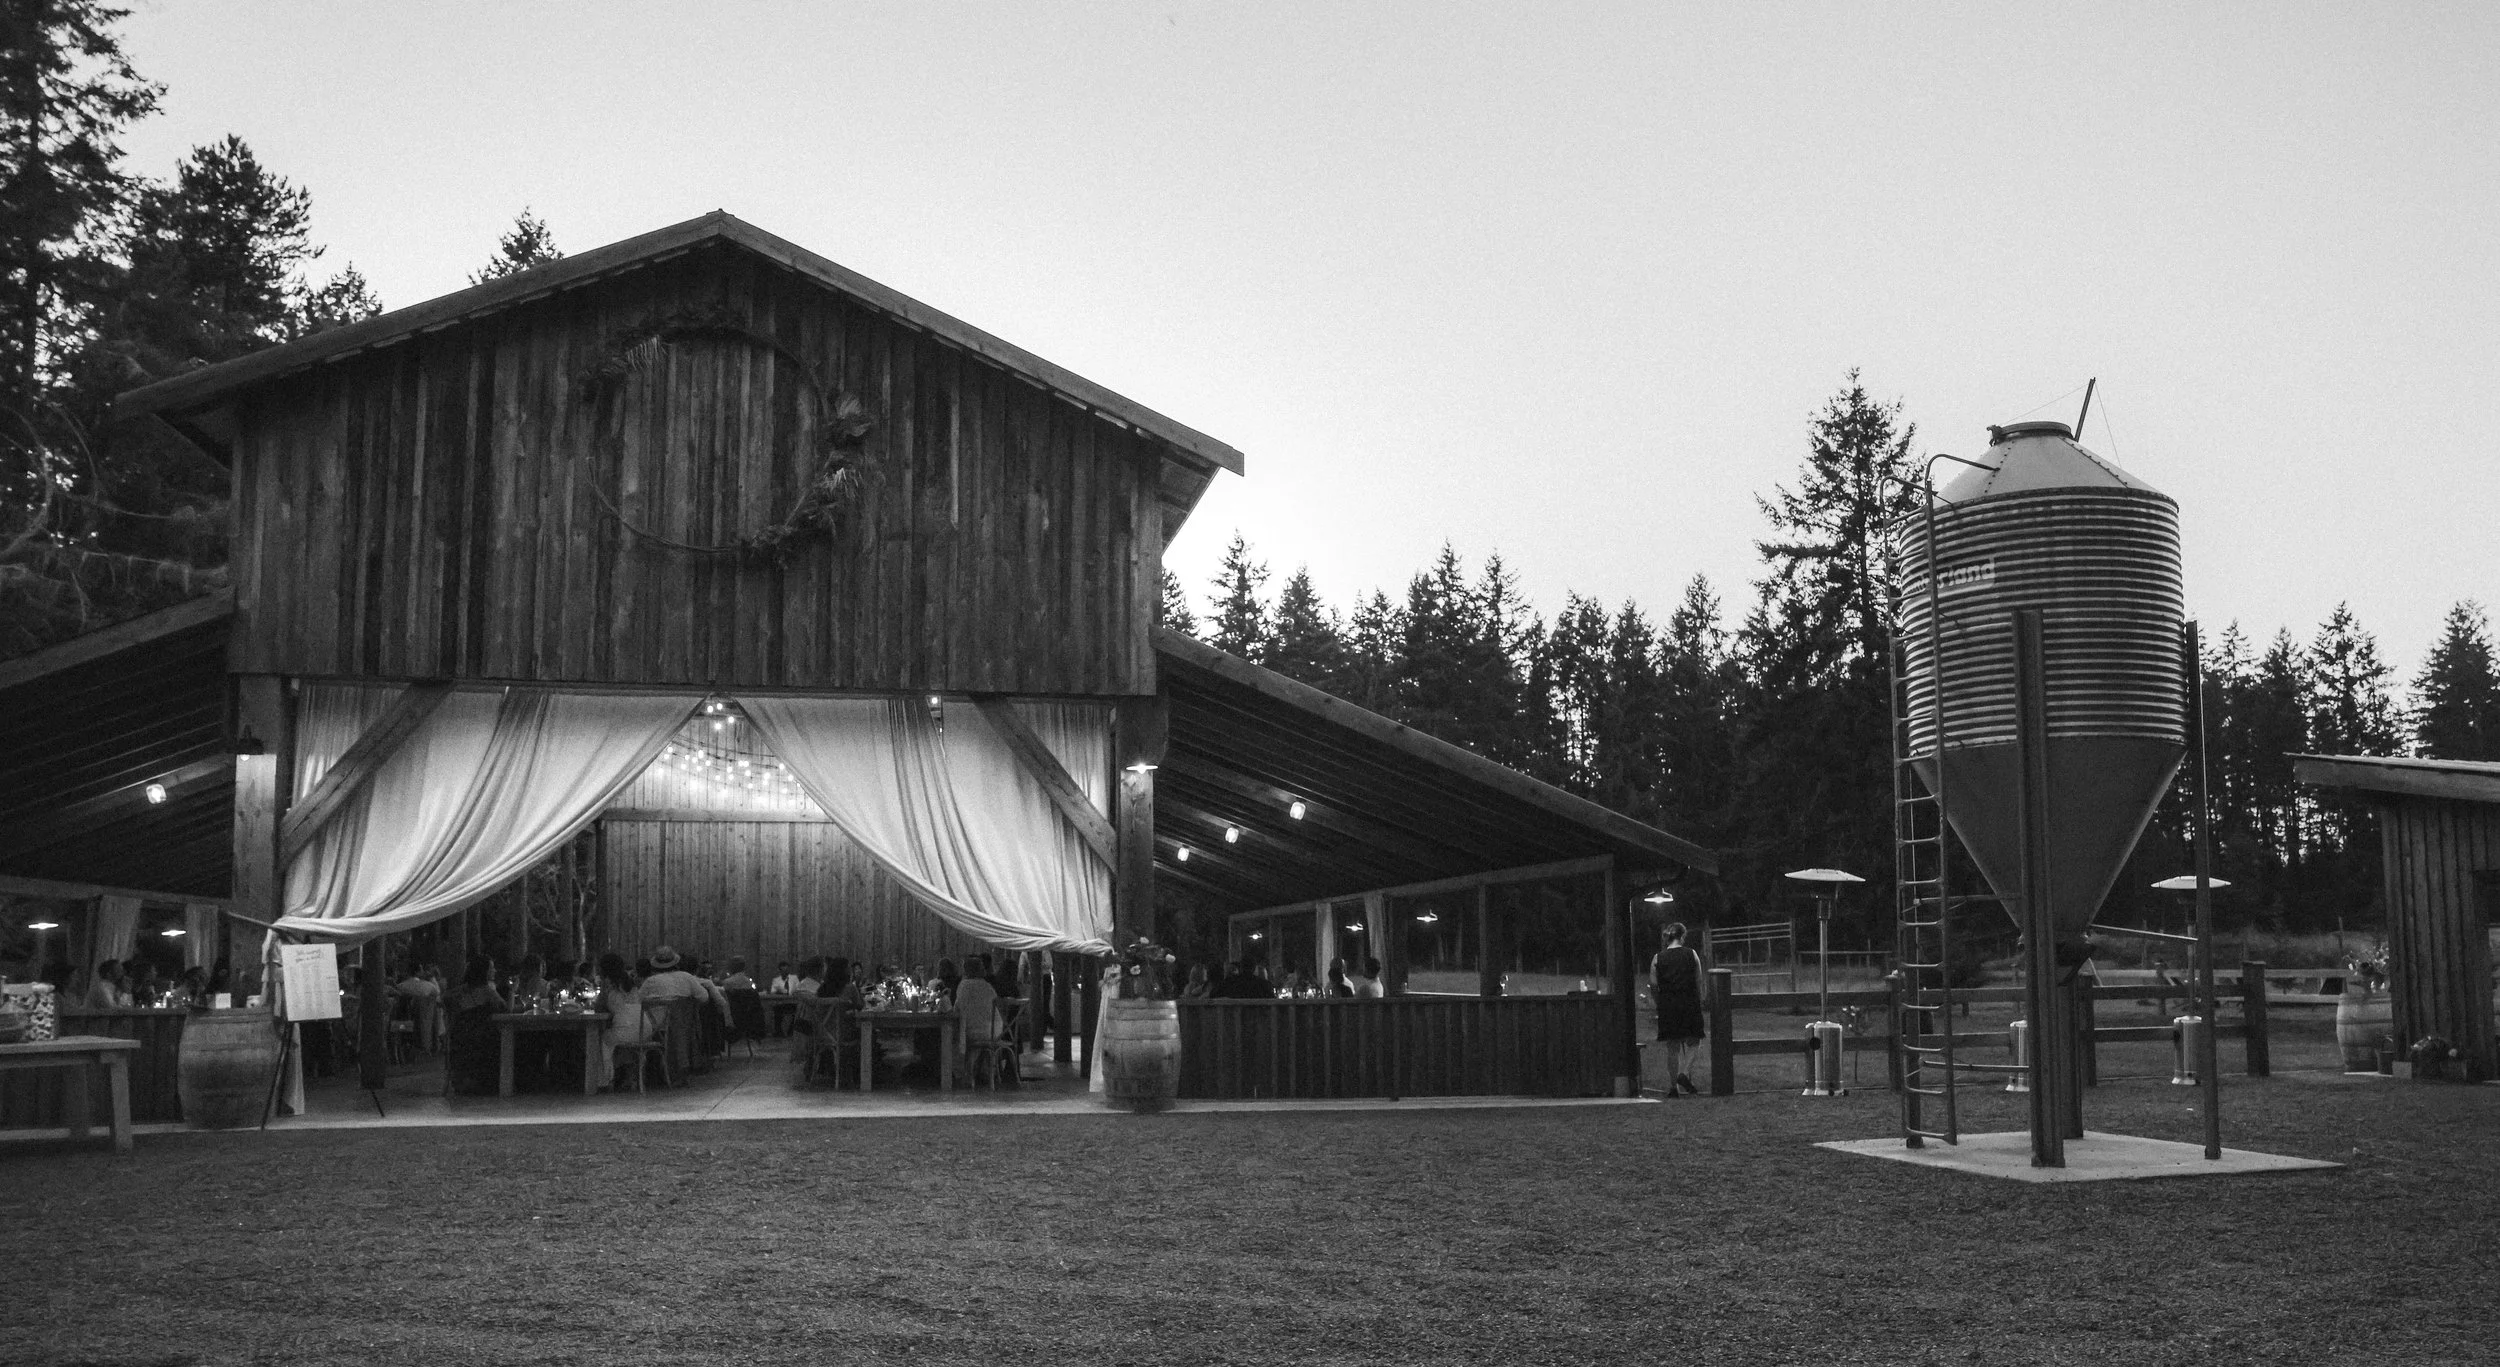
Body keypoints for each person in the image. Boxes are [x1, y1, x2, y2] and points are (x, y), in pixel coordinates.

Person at [1649, 923, 1709, 1096]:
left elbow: (1653, 984)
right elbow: (1698, 980)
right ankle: (1684, 1073)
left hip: (1668, 1005)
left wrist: (1659, 1002)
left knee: (1672, 1047)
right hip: (1689, 1002)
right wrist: (1700, 999)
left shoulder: (1657, 958)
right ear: (1682, 937)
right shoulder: (1692, 954)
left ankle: (1673, 1087)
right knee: (1694, 1041)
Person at [445, 955, 507, 1095]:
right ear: (484, 971)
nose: (495, 971)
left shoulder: (461, 990)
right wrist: (513, 990)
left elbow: (444, 998)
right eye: (492, 968)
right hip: (482, 1038)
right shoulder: (487, 990)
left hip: (460, 1036)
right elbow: (505, 1009)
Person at [396, 962, 444, 1053]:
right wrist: (432, 978)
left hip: (402, 1026)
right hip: (424, 1025)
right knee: (437, 1012)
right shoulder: (429, 986)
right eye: (421, 970)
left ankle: (399, 1046)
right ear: (417, 972)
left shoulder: (400, 986)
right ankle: (433, 1043)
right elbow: (438, 995)